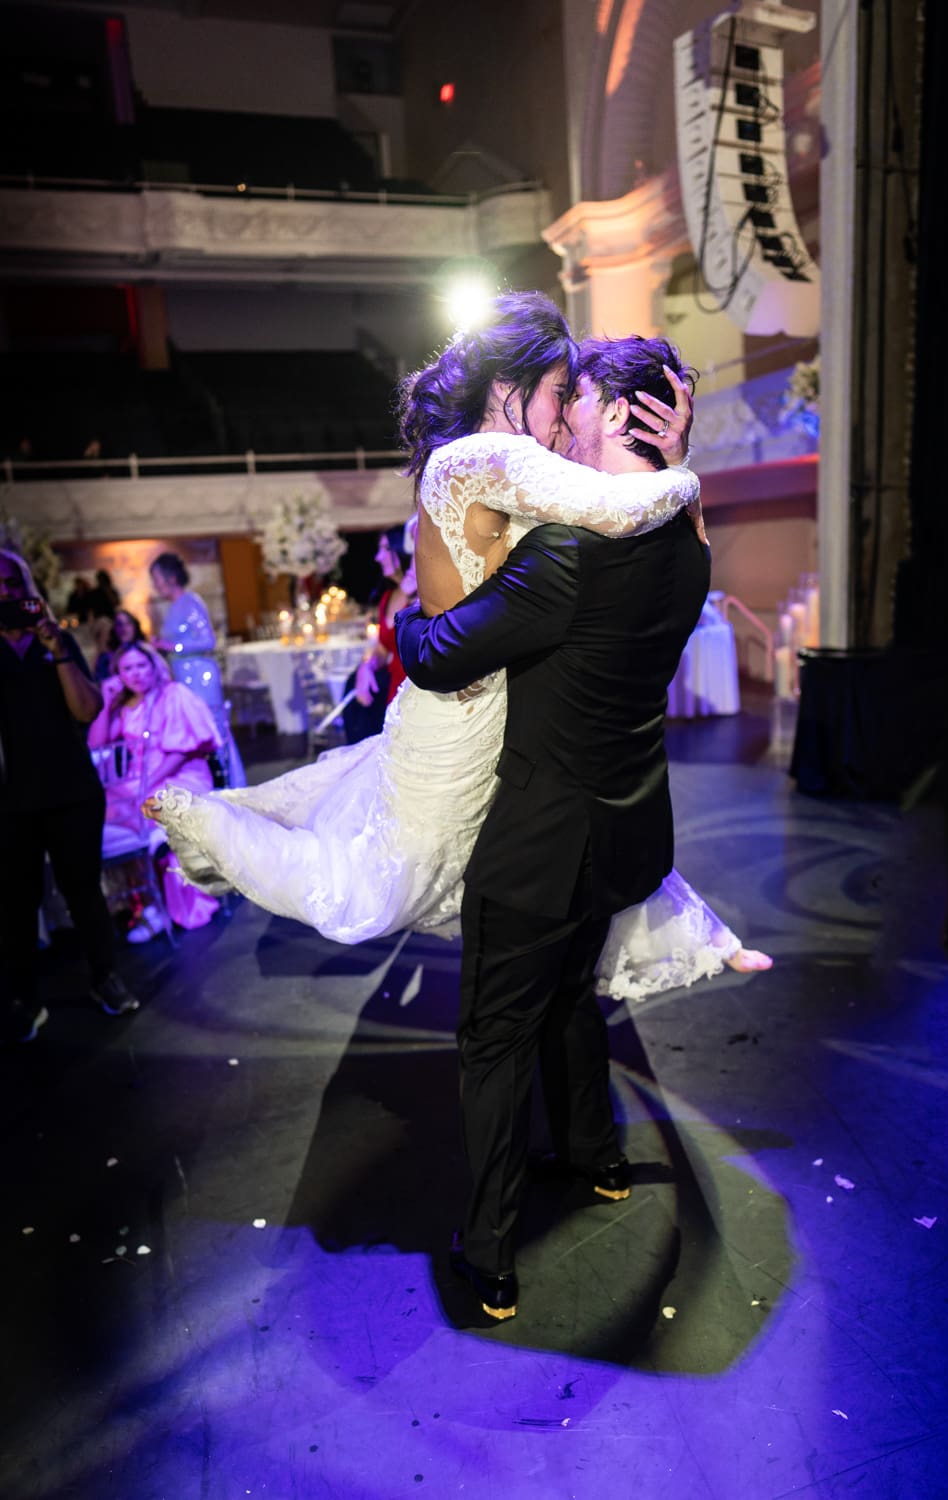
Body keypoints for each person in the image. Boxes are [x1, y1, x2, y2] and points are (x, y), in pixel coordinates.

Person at [145, 294, 769, 988]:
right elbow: (613, 511)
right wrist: (682, 473)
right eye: (559, 393)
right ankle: (215, 828)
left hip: (501, 740)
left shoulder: (503, 480)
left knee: (385, 838)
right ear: (511, 384)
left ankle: (231, 817)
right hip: (474, 722)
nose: (563, 417)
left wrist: (412, 621)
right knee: (374, 883)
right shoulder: (501, 461)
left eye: (571, 396)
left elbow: (595, 515)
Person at [394, 332, 751, 1318]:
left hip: (541, 840)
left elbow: (434, 656)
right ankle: (596, 1156)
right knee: (573, 998)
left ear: (611, 412)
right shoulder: (686, 548)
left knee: (495, 1038)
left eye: (573, 400)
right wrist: (679, 459)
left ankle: (494, 1250)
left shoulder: (564, 553)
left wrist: (401, 612)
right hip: (623, 831)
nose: (559, 420)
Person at [0, 547, 140, 1042]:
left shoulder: (55, 641)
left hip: (71, 790)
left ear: (29, 591)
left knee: (84, 892)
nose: (5, 594)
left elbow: (86, 710)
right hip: (11, 798)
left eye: (12, 585)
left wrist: (56, 646)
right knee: (17, 903)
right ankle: (23, 999)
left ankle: (105, 978)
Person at [89, 641, 223, 937]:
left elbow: (182, 751)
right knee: (108, 812)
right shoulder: (126, 706)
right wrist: (107, 704)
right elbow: (97, 744)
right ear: (118, 675)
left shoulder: (174, 695)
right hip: (140, 779)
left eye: (140, 665)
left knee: (158, 809)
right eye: (127, 668)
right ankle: (144, 901)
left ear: (153, 666)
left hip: (179, 773)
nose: (135, 674)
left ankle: (174, 902)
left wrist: (147, 782)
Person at [148, 551, 246, 788]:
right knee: (197, 730)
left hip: (200, 676)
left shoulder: (190, 601)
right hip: (184, 675)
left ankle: (227, 785)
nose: (155, 584)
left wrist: (171, 646)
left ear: (170, 577)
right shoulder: (174, 606)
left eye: (157, 578)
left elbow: (208, 641)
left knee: (212, 730)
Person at [340, 524, 416, 745]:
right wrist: (367, 666)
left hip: (412, 688)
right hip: (392, 687)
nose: (377, 557)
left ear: (401, 550)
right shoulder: (387, 597)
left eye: (384, 549)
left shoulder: (422, 596)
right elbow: (383, 648)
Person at [94, 609, 146, 682]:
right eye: (119, 624)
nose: (124, 628)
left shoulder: (147, 651)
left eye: (128, 623)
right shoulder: (105, 659)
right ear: (114, 629)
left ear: (135, 626)